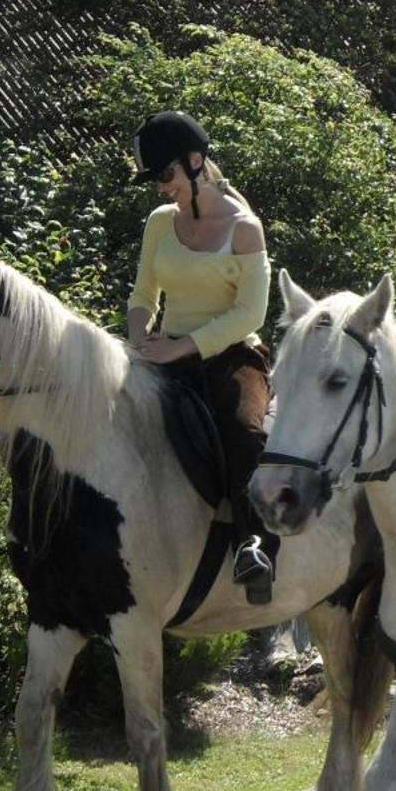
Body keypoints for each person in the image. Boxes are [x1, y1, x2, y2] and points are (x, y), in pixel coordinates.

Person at [126, 109, 279, 602]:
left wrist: (182, 347)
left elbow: (248, 314)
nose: (161, 188)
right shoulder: (158, 223)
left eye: (165, 175)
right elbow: (142, 296)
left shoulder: (245, 229)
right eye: (156, 180)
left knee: (245, 430)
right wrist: (139, 336)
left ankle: (253, 544)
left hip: (230, 356)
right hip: (164, 352)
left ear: (195, 162)